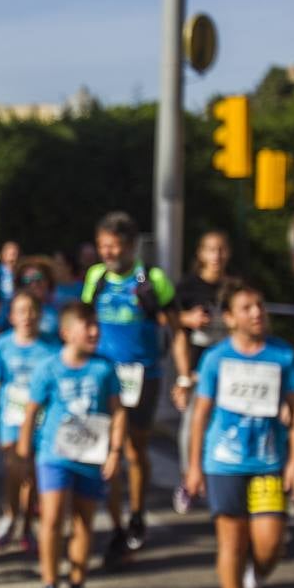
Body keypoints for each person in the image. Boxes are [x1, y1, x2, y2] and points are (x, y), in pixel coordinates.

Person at [183, 282, 294, 588]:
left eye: (260, 306)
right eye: (247, 307)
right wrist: (193, 467)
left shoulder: (282, 355)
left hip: (268, 462)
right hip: (223, 464)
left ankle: (255, 582)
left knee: (270, 545)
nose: (257, 313)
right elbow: (200, 413)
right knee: (232, 543)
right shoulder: (216, 359)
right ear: (230, 318)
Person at [81, 212, 191, 564]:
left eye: (113, 246)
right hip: (103, 375)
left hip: (143, 375)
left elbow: (177, 332)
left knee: (133, 449)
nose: (107, 253)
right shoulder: (95, 277)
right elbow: (84, 324)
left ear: (130, 246)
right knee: (106, 450)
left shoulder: (151, 280)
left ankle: (138, 515)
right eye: (102, 246)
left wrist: (184, 376)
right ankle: (116, 526)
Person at [17, 302, 125, 588]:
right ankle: (50, 586)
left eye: (96, 326)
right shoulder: (48, 367)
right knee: (51, 520)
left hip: (91, 456)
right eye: (86, 326)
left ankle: (77, 587)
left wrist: (115, 452)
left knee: (83, 522)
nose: (94, 332)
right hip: (54, 454)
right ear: (66, 333)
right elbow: (31, 413)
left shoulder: (105, 368)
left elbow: (118, 411)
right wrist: (24, 456)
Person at [0, 292, 57, 553]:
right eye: (21, 311)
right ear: (11, 316)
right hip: (11, 417)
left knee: (32, 475)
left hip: (40, 419)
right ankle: (10, 515)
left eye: (32, 310)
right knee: (14, 467)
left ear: (40, 314)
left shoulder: (51, 347)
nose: (27, 316)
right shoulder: (2, 344)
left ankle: (26, 526)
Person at [172, 230, 235, 513]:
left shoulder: (233, 288)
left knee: (225, 426)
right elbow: (176, 330)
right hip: (199, 369)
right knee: (192, 425)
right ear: (200, 254)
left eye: (221, 249)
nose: (216, 256)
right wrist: (184, 376)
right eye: (211, 249)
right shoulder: (187, 287)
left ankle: (221, 480)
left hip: (231, 370)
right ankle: (189, 479)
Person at [0, 241, 20, 311]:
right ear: (2, 256)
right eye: (10, 254)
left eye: (15, 254)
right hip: (0, 306)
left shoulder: (20, 271)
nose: (13, 258)